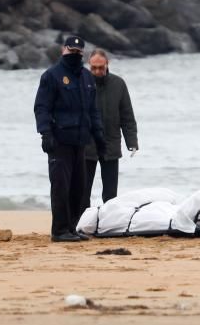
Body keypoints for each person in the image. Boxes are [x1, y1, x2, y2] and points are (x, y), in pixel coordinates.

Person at [33, 35, 107, 243]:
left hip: (80, 141)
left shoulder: (86, 77)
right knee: (60, 187)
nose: (74, 54)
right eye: (70, 51)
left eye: (78, 52)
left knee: (78, 188)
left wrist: (99, 136)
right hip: (59, 141)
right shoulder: (51, 76)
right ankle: (59, 230)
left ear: (82, 53)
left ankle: (72, 228)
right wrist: (45, 133)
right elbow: (42, 107)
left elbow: (93, 111)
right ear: (63, 51)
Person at [83, 49, 139, 205]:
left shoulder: (118, 84)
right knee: (82, 191)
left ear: (107, 64)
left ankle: (108, 224)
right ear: (89, 65)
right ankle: (80, 225)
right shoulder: (82, 83)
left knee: (110, 194)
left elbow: (127, 115)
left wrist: (132, 142)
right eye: (93, 68)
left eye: (101, 67)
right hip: (87, 145)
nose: (97, 71)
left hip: (111, 144)